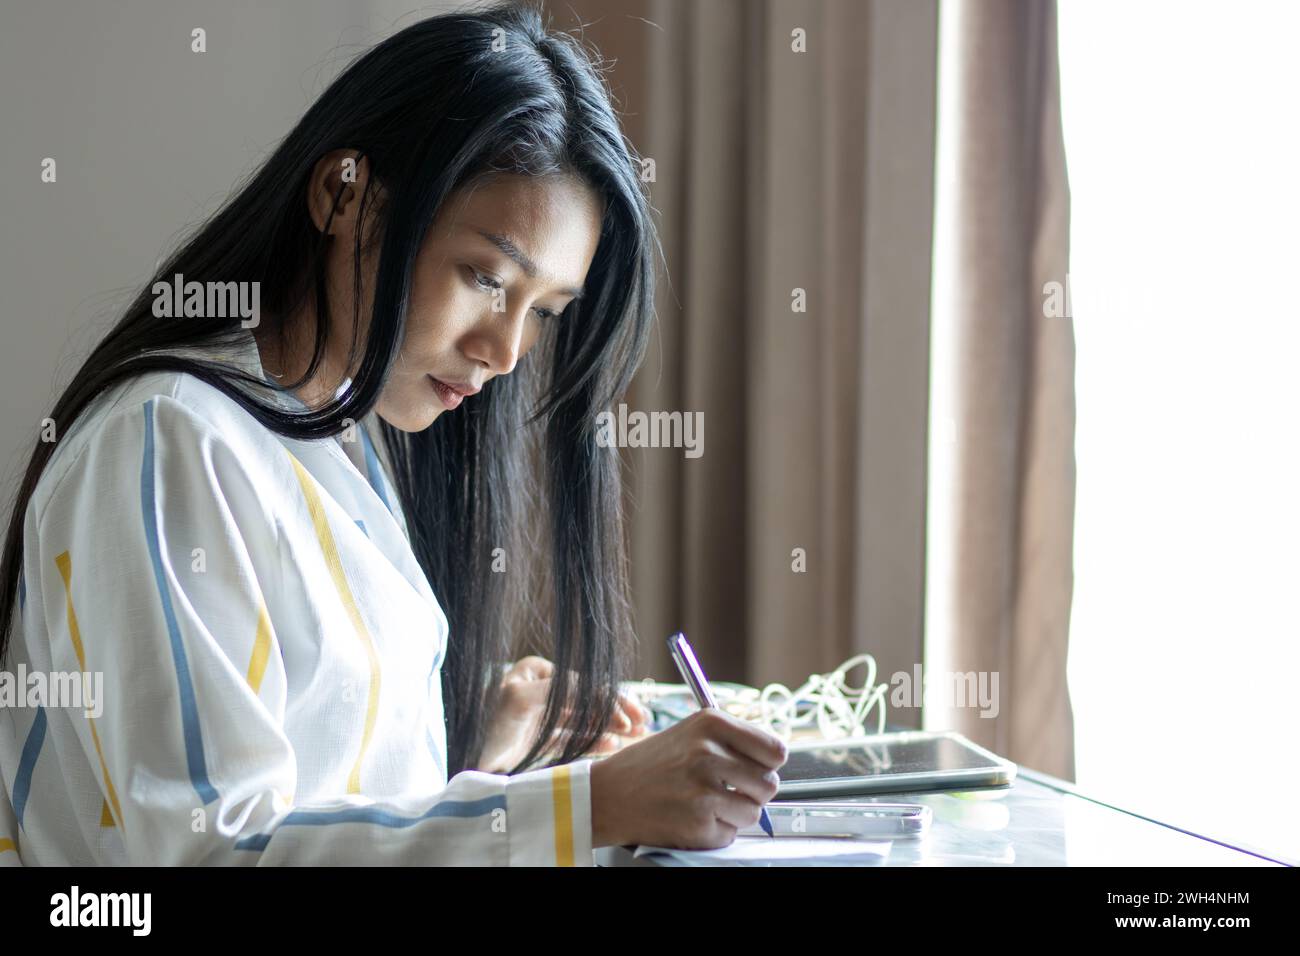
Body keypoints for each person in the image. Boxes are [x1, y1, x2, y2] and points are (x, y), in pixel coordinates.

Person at [0, 1, 785, 866]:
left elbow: (325, 796)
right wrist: (581, 807)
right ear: (345, 197)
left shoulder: (344, 435)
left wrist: (474, 741)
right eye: (486, 278)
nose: (503, 351)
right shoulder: (168, 440)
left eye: (544, 314)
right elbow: (210, 857)